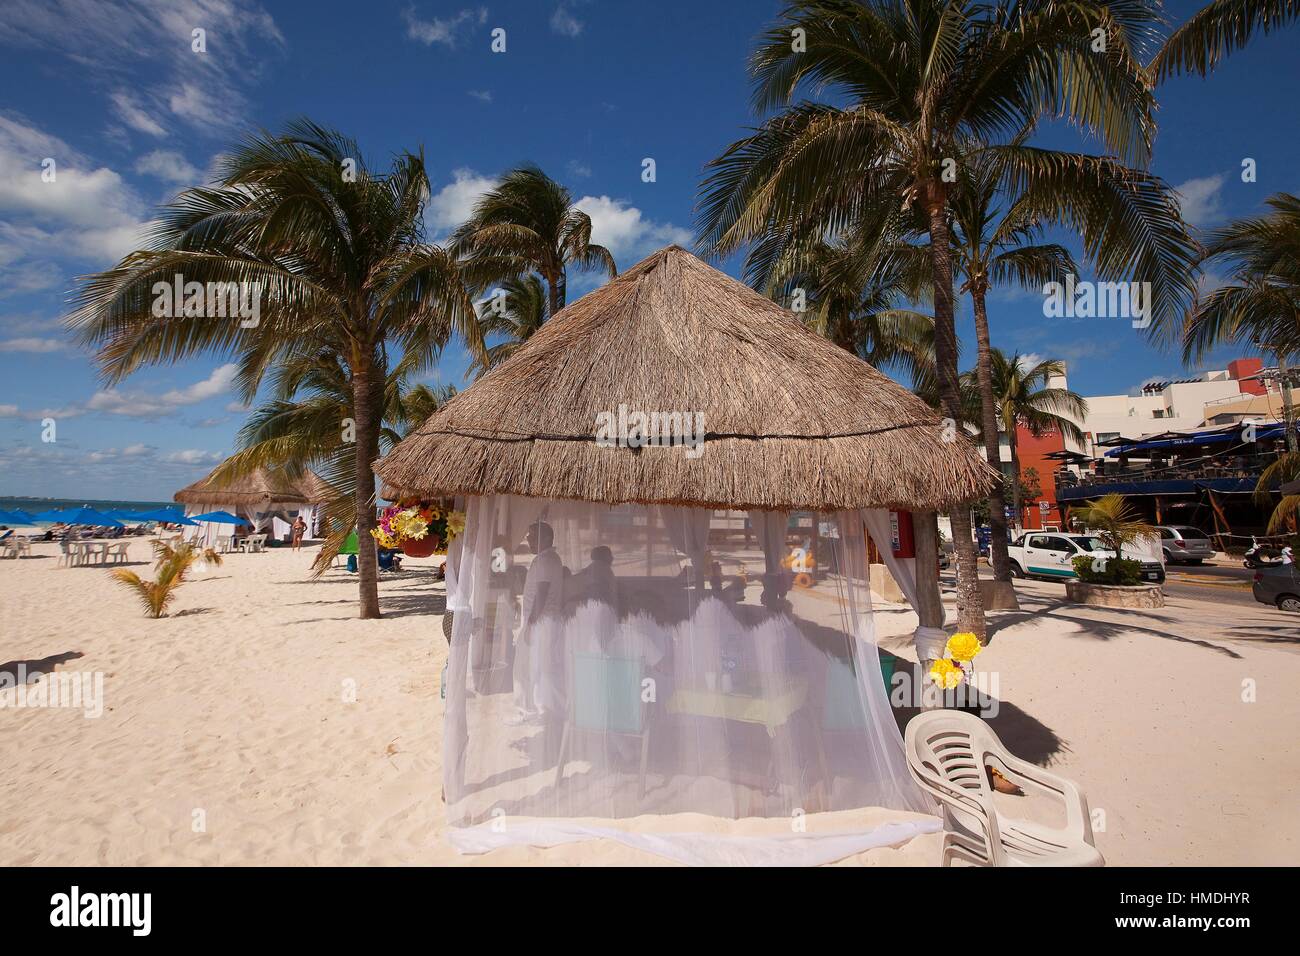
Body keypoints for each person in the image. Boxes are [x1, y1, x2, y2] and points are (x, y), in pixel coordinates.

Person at [511, 522, 565, 722]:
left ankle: (537, 711)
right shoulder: (547, 558)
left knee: (533, 667)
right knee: (535, 666)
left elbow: (541, 595)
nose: (528, 540)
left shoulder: (546, 560)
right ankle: (536, 710)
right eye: (528, 536)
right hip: (543, 621)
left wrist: (531, 624)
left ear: (547, 539)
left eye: (533, 537)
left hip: (541, 622)